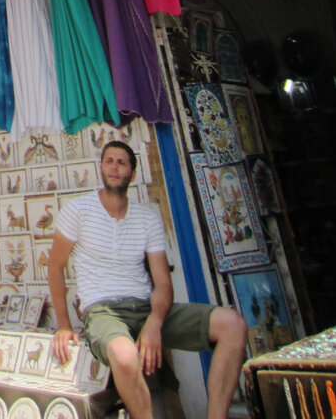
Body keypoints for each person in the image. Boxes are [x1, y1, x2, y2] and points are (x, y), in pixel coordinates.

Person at [48, 141, 247, 419]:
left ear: (132, 171)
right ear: (101, 167)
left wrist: (154, 322)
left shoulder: (148, 218)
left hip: (145, 308)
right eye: (109, 161)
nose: (114, 167)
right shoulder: (78, 211)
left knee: (232, 325)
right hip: (103, 312)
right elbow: (55, 266)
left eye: (121, 162)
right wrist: (64, 327)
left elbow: (163, 283)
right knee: (125, 355)